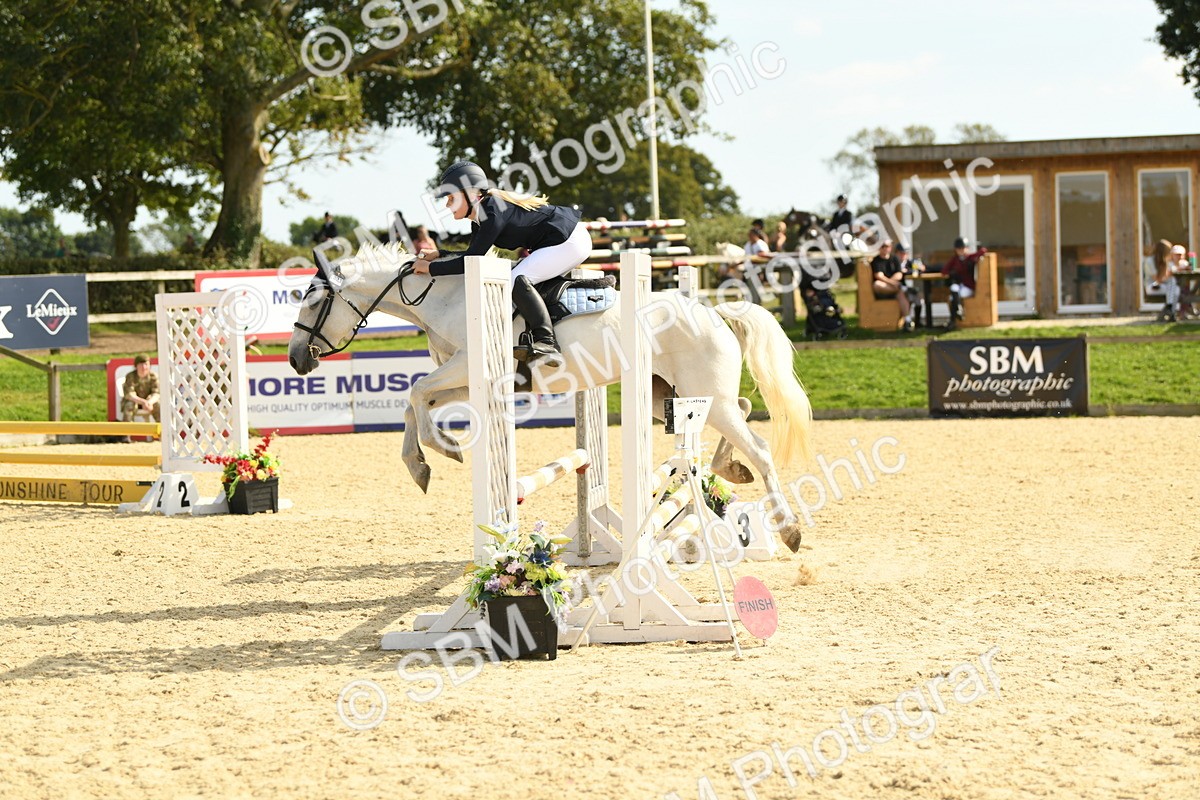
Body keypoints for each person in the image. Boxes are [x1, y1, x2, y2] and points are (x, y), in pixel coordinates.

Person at [411, 161, 590, 367]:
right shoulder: (482, 216)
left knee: (515, 279)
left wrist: (430, 268)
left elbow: (470, 261)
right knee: (518, 276)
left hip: (569, 241)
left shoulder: (491, 210)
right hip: (564, 240)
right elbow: (473, 256)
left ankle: (547, 342)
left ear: (471, 194)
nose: (447, 205)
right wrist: (440, 254)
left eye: (451, 198)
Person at [939, 237, 988, 330]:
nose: (961, 251)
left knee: (955, 297)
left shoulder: (970, 257)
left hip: (968, 286)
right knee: (953, 290)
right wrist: (953, 273)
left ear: (967, 248)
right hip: (959, 285)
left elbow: (983, 251)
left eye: (963, 248)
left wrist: (979, 247)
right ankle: (957, 312)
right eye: (959, 249)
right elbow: (944, 270)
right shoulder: (955, 259)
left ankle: (953, 319)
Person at [870, 240, 913, 330]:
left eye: (887, 246)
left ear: (890, 247)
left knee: (900, 293)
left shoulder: (894, 258)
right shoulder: (876, 260)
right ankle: (902, 289)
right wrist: (892, 283)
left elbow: (899, 274)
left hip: (893, 288)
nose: (885, 248)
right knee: (877, 284)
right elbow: (879, 276)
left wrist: (891, 283)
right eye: (882, 246)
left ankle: (908, 321)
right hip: (883, 289)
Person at [1147, 241, 1184, 321]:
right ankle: (1172, 312)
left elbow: (1168, 276)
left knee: (1176, 288)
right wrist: (1168, 273)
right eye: (1168, 250)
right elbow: (1157, 279)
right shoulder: (1150, 261)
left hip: (1164, 285)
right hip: (1153, 286)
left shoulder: (1166, 261)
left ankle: (1169, 308)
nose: (1170, 253)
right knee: (1174, 288)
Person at [121, 354, 160, 425]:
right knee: (129, 405)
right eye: (141, 365)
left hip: (149, 402)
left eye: (146, 364)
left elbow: (156, 393)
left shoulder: (153, 376)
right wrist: (143, 402)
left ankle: (162, 429)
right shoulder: (130, 376)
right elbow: (130, 394)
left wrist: (149, 402)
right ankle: (127, 430)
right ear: (136, 366)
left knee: (158, 405)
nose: (144, 367)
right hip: (135, 401)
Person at [895, 242, 924, 328]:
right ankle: (906, 322)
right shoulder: (894, 262)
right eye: (901, 253)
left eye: (905, 253)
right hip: (896, 288)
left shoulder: (909, 262)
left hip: (906, 287)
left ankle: (917, 322)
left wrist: (909, 271)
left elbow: (918, 270)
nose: (903, 255)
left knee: (918, 298)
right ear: (896, 253)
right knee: (908, 296)